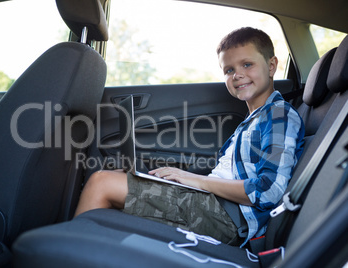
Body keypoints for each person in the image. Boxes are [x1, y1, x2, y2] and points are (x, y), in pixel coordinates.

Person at [74, 27, 305, 247]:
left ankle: (64, 254)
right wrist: (184, 180)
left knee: (101, 183)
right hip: (216, 204)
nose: (238, 75)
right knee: (114, 176)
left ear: (272, 65)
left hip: (229, 218)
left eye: (247, 64)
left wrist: (196, 180)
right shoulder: (253, 119)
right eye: (229, 70)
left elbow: (269, 191)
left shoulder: (278, 114)